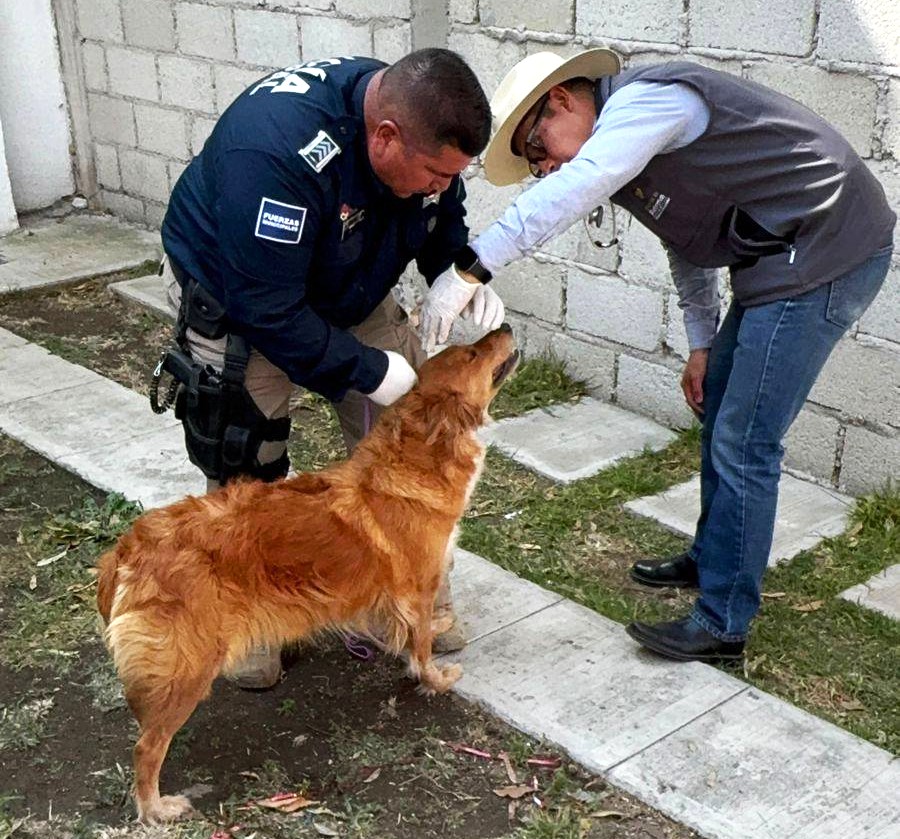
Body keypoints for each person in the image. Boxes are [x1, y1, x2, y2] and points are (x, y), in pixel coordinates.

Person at [419, 49, 895, 662]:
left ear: (561, 100)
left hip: (828, 250)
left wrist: (474, 266)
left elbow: (576, 185)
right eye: (536, 165)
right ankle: (712, 557)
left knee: (746, 440)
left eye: (538, 148)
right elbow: (688, 243)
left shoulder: (649, 102)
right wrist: (702, 343)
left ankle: (723, 624)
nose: (547, 167)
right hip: (779, 258)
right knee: (721, 407)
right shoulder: (632, 155)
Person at [158, 48, 504, 688]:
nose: (440, 185)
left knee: (416, 433)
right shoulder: (273, 153)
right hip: (240, 298)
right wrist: (365, 368)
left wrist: (455, 273)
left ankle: (404, 598)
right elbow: (268, 308)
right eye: (434, 172)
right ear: (385, 136)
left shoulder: (421, 127)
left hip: (345, 280)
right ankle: (249, 615)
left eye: (451, 176)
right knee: (245, 450)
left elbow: (438, 219)